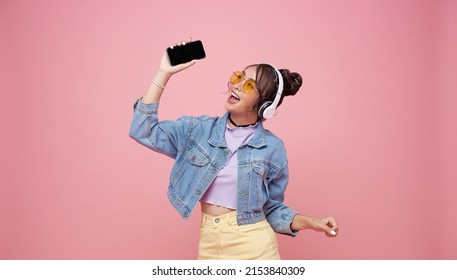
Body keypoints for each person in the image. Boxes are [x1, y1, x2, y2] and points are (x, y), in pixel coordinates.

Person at [129, 39, 339, 260]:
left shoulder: (272, 148)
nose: (237, 85)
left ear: (265, 106)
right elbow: (142, 130)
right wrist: (163, 73)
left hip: (254, 246)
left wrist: (311, 222)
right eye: (239, 77)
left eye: (249, 85)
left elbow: (272, 210)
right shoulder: (198, 130)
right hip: (209, 244)